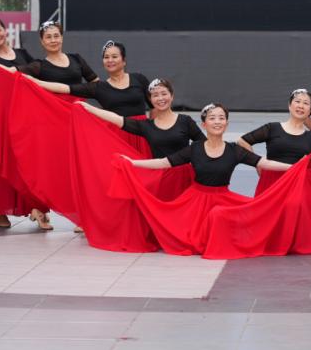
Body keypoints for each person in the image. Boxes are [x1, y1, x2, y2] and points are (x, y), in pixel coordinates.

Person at [113, 103, 293, 254]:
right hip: (195, 202)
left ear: (226, 124)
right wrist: (133, 163)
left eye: (221, 118)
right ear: (204, 125)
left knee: (247, 214)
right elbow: (164, 162)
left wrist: (293, 167)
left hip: (224, 199)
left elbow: (264, 163)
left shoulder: (235, 150)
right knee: (190, 237)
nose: (217, 121)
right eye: (212, 118)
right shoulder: (195, 148)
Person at [77, 78, 202, 158]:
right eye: (155, 95)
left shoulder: (185, 121)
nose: (160, 98)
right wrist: (88, 107)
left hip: (186, 176)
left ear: (172, 96)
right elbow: (117, 119)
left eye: (164, 94)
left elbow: (205, 144)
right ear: (150, 100)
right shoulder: (146, 126)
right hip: (161, 177)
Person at [24, 40, 150, 118]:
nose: (110, 60)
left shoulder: (139, 79)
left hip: (141, 134)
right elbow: (66, 88)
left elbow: (154, 107)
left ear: (124, 60)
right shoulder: (99, 87)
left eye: (114, 56)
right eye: (106, 57)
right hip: (115, 138)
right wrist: (35, 81)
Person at [19, 21, 98, 85]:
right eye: (48, 37)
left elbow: (97, 84)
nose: (53, 40)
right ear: (42, 41)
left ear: (62, 38)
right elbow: (14, 73)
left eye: (56, 36)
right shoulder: (38, 66)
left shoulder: (76, 59)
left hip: (77, 101)